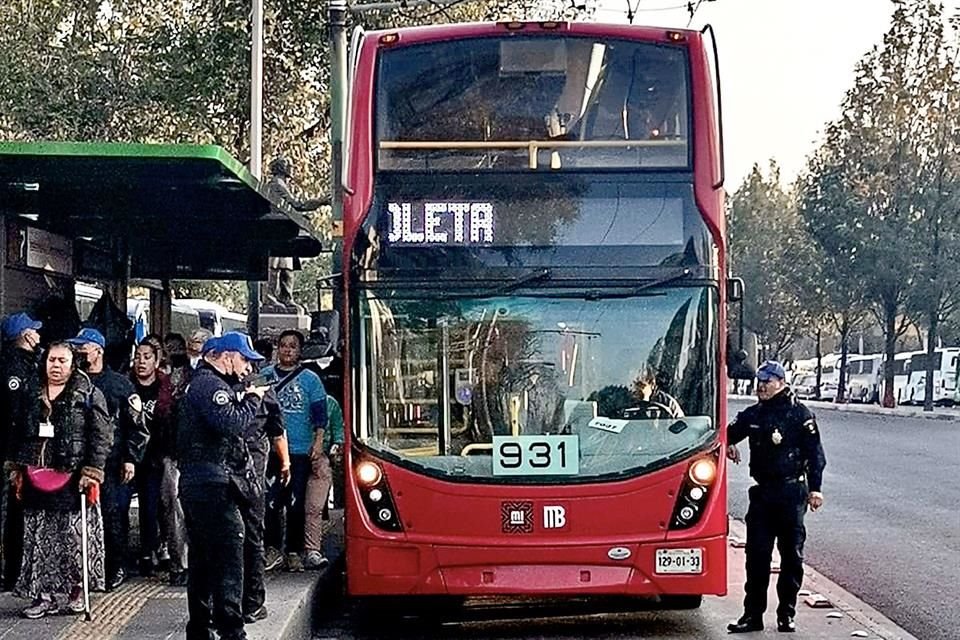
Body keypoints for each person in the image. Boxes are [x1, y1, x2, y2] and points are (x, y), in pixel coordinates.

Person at [177, 331, 269, 640]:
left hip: (200, 484)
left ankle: (200, 629)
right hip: (212, 486)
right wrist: (253, 399)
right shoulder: (210, 385)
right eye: (244, 359)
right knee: (230, 558)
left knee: (203, 561)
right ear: (226, 355)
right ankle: (232, 631)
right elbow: (232, 424)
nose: (246, 367)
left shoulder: (203, 383)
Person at [9, 342, 111, 618]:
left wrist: (92, 471)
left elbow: (100, 436)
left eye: (62, 361)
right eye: (51, 360)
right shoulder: (31, 391)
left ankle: (77, 590)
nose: (55, 365)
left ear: (72, 364)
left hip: (72, 477)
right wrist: (16, 467)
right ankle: (43, 596)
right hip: (36, 474)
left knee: (73, 538)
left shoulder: (88, 393)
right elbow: (17, 430)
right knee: (39, 538)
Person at [726, 360, 827, 634]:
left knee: (791, 557)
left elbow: (815, 455)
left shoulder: (799, 415)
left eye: (768, 381)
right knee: (756, 556)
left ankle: (786, 614)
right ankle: (752, 615)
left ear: (781, 383)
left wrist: (815, 489)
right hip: (762, 493)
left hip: (791, 492)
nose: (761, 386)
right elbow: (727, 433)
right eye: (759, 381)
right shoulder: (754, 414)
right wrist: (729, 444)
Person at [68, 327, 149, 589]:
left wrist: (130, 457)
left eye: (84, 347)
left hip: (112, 464)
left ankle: (115, 567)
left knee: (113, 516)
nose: (79, 351)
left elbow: (137, 424)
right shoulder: (71, 382)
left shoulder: (120, 384)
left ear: (98, 350)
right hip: (76, 464)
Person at [262, 330, 328, 572]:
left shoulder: (311, 379)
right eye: (283, 345)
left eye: (293, 346)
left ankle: (293, 551)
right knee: (270, 501)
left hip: (299, 450)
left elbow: (320, 416)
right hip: (269, 450)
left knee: (296, 503)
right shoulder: (265, 376)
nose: (287, 350)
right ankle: (271, 548)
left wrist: (318, 442)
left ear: (300, 350)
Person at [130, 340, 186, 585]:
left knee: (164, 505)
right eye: (138, 356)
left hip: (160, 456)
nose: (141, 361)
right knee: (142, 507)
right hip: (132, 457)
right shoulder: (126, 386)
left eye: (147, 357)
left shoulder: (167, 388)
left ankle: (165, 552)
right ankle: (146, 551)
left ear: (156, 361)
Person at [0, 313, 43, 591]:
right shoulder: (16, 368)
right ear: (26, 336)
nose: (39, 335)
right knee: (10, 515)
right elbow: (15, 413)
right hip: (11, 454)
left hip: (15, 453)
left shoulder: (26, 363)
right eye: (35, 331)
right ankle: (9, 572)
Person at [303, 394, 343, 569]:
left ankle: (312, 549)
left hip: (319, 459)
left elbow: (338, 435)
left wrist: (333, 452)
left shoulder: (330, 403)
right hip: (294, 456)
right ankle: (299, 550)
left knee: (314, 507)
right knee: (302, 507)